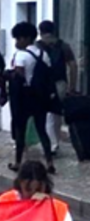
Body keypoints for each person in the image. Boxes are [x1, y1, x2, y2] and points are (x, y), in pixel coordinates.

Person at [9, 22, 57, 174]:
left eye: (18, 39)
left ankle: (18, 162)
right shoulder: (44, 54)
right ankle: (49, 161)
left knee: (20, 129)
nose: (17, 42)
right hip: (40, 96)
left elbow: (18, 75)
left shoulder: (21, 55)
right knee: (42, 129)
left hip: (23, 96)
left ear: (26, 38)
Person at [38, 21, 79, 155]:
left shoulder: (37, 46)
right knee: (56, 113)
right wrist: (72, 86)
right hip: (60, 82)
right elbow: (73, 66)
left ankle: (51, 144)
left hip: (43, 83)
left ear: (40, 30)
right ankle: (55, 142)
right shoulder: (63, 46)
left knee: (46, 113)